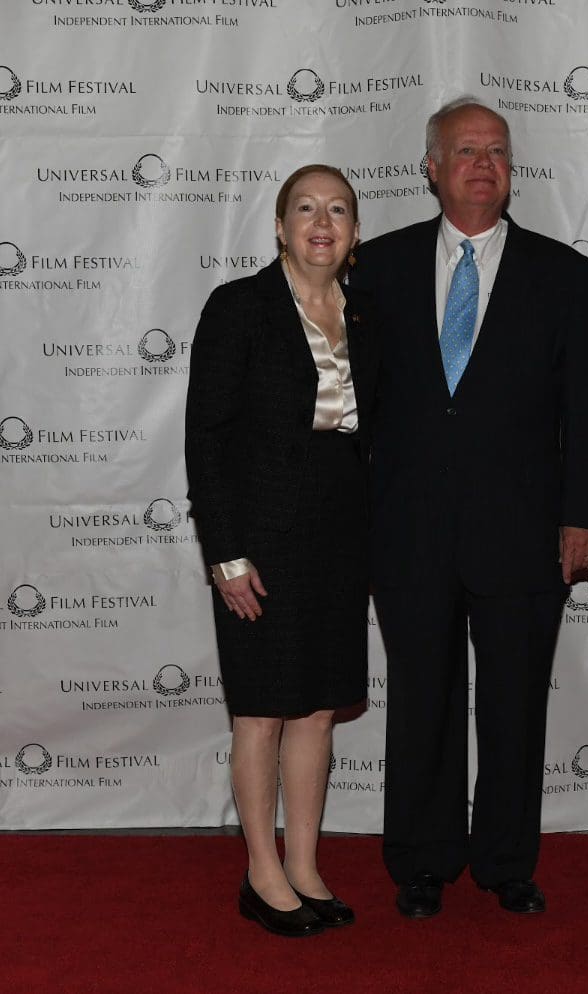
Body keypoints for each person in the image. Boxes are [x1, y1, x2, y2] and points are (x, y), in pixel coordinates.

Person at [351, 97, 588, 918]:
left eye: (497, 151)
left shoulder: (564, 274)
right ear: (430, 169)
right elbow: (350, 401)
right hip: (408, 533)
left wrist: (582, 515)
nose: (482, 165)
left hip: (526, 534)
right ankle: (422, 863)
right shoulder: (379, 267)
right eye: (464, 151)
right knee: (422, 705)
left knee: (513, 705)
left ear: (512, 170)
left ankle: (507, 861)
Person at [185, 165, 374, 937]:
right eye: (305, 208)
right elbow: (205, 436)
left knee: (320, 708)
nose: (320, 222)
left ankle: (303, 864)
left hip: (340, 528)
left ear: (355, 233)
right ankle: (261, 873)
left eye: (337, 209)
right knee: (262, 710)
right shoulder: (239, 307)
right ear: (279, 227)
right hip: (260, 534)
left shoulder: (366, 313)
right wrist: (226, 552)